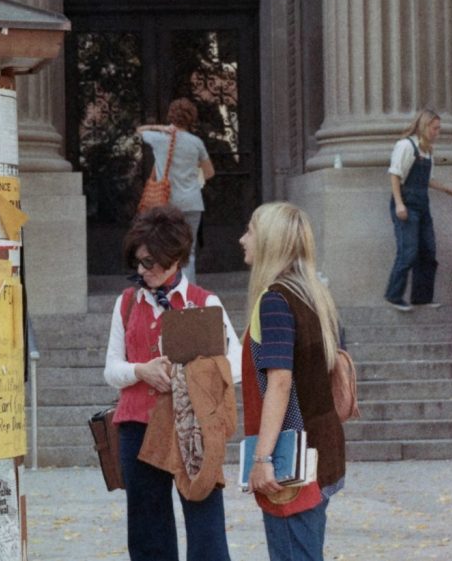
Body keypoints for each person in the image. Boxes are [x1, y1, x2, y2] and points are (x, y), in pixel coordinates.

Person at [103, 206, 241, 561]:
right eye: (138, 262)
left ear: (175, 258)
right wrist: (141, 371)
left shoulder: (204, 301)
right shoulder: (128, 303)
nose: (141, 270)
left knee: (205, 525)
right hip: (138, 426)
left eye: (149, 262)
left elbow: (237, 364)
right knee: (148, 531)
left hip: (192, 425)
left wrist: (188, 376)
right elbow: (111, 369)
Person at [238, 202, 346, 561]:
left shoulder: (275, 300)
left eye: (250, 231)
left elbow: (280, 381)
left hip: (291, 457)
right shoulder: (315, 295)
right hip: (322, 448)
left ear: (270, 240)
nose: (242, 239)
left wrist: (262, 458)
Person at [384, 109, 452, 312]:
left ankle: (422, 297)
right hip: (407, 203)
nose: (437, 132)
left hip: (422, 205)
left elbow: (428, 179)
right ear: (424, 126)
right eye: (435, 128)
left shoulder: (428, 150)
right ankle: (393, 295)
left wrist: (446, 189)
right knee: (408, 251)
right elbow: (395, 175)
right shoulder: (406, 146)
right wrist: (400, 204)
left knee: (428, 251)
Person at [137, 98, 215, 284]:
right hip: (193, 203)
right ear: (191, 119)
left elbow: (139, 130)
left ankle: (166, 290)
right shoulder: (196, 143)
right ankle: (188, 297)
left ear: (171, 116)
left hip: (167, 203)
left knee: (164, 249)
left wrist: (161, 128)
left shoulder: (159, 139)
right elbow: (210, 172)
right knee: (189, 253)